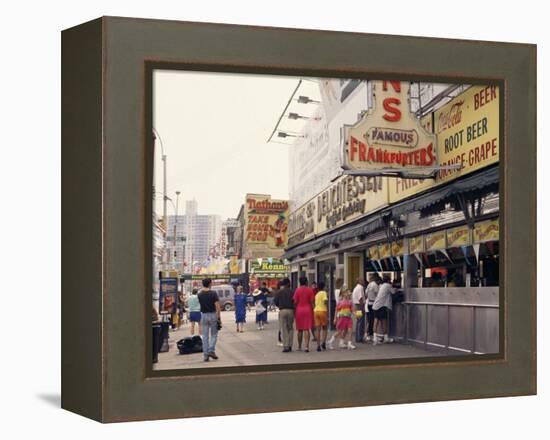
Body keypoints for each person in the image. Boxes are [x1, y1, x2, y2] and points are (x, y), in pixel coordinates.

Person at [198, 278, 221, 362]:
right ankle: (211, 350)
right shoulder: (213, 293)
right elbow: (217, 306)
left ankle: (205, 356)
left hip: (203, 315)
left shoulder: (199, 294)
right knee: (214, 334)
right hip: (212, 315)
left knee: (205, 336)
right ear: (210, 283)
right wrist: (219, 317)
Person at [329, 285, 355, 350]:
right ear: (343, 293)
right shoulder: (340, 302)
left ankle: (349, 343)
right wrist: (335, 318)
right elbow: (336, 310)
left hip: (348, 318)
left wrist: (356, 314)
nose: (348, 293)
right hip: (341, 318)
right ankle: (330, 342)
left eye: (348, 291)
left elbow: (352, 310)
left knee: (350, 330)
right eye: (346, 292)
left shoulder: (350, 301)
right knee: (339, 332)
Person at [293, 276, 314, 352]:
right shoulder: (310, 290)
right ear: (306, 282)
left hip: (299, 310)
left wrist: (295, 310)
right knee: (306, 329)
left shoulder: (297, 290)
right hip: (307, 310)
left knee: (299, 329)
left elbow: (295, 302)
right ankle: (307, 346)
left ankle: (299, 346)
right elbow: (312, 302)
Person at [372, 274, 394, 345]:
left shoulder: (381, 286)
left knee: (376, 321)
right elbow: (393, 292)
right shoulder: (388, 285)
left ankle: (375, 337)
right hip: (382, 306)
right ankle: (386, 337)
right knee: (384, 321)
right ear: (388, 280)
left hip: (376, 305)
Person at [274, 278, 294, 352]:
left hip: (282, 310)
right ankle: (290, 345)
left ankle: (285, 346)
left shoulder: (279, 292)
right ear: (289, 283)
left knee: (284, 328)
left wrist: (279, 306)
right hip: (291, 310)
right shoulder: (292, 292)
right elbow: (295, 301)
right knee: (290, 328)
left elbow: (275, 301)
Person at [314, 281, 329, 351]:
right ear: (323, 287)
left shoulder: (316, 294)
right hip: (323, 311)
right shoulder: (324, 293)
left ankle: (318, 345)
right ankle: (323, 343)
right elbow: (325, 301)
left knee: (318, 329)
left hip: (316, 311)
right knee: (325, 328)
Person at [364, 273, 380, 342]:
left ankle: (368, 334)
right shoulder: (375, 285)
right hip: (374, 303)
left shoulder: (369, 285)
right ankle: (372, 334)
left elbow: (366, 294)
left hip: (369, 303)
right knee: (373, 320)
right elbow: (378, 294)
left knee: (369, 319)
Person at [352, 278, 366, 343]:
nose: (363, 281)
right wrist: (362, 306)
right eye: (362, 280)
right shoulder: (360, 288)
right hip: (360, 306)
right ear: (359, 281)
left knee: (358, 321)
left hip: (356, 305)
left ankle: (357, 337)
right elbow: (360, 298)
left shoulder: (356, 288)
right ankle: (360, 337)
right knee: (361, 322)